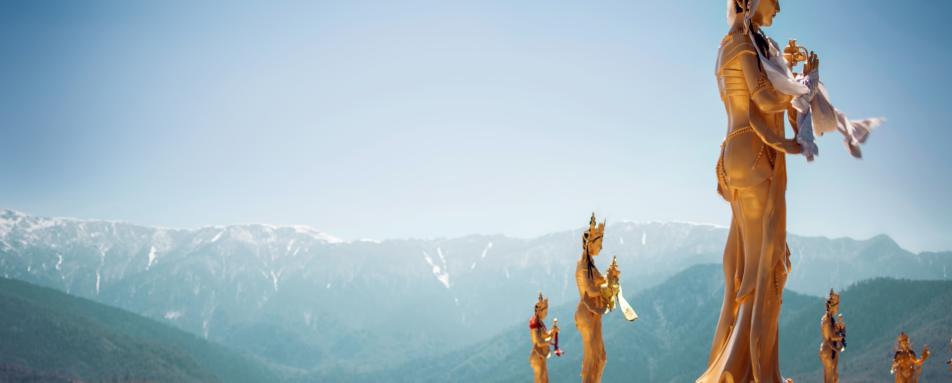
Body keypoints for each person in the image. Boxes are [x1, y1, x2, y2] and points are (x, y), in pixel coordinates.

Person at [575, 214, 612, 383]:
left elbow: (599, 282)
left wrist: (610, 279)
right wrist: (605, 286)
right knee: (593, 357)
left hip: (593, 313)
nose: (601, 248)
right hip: (587, 313)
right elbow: (590, 289)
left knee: (601, 357)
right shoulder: (583, 265)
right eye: (599, 243)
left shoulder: (591, 265)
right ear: (590, 244)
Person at [529, 293, 559, 383]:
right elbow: (538, 342)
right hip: (537, 355)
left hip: (541, 354)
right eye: (544, 312)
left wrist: (553, 331)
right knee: (540, 379)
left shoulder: (540, 323)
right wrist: (549, 341)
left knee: (544, 379)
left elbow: (545, 335)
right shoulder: (534, 324)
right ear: (539, 311)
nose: (546, 314)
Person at [818, 289, 845, 383]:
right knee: (830, 377)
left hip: (827, 349)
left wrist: (839, 328)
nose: (837, 309)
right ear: (832, 306)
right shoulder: (827, 320)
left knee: (830, 376)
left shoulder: (828, 318)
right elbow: (831, 337)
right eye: (837, 306)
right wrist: (840, 336)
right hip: (828, 350)